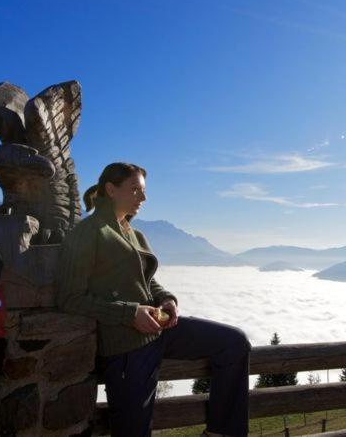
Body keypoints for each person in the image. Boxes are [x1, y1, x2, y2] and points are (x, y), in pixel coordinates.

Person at [55, 162, 251, 437]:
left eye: (143, 191)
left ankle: (221, 432)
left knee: (234, 343)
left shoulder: (134, 234)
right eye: (135, 190)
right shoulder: (88, 233)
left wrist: (167, 299)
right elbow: (69, 298)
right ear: (111, 190)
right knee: (133, 430)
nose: (143, 198)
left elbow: (147, 281)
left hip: (159, 332)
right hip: (124, 347)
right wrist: (129, 314)